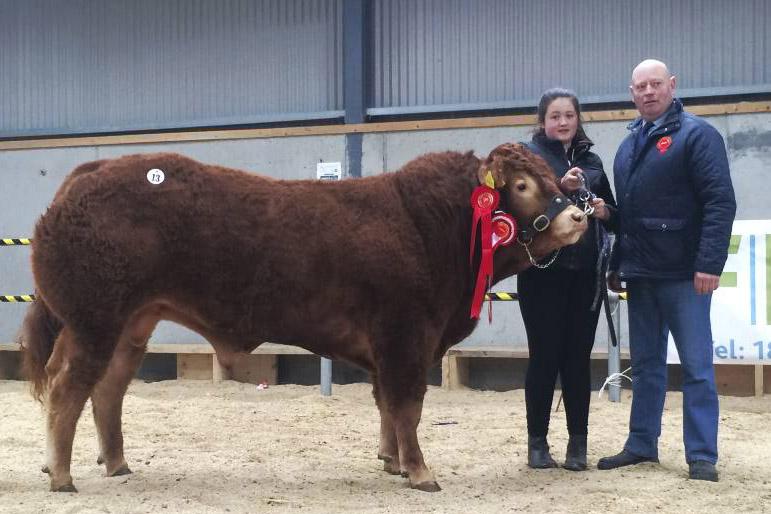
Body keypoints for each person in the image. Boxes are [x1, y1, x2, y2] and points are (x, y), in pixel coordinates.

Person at [598, 59, 736, 482]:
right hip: (642, 274)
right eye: (640, 87)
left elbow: (719, 203)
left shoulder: (698, 135)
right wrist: (610, 221)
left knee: (695, 366)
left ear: (672, 85)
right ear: (632, 92)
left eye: (655, 84)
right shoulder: (628, 145)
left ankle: (702, 455)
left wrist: (709, 263)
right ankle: (642, 443)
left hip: (684, 275)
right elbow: (634, 216)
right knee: (646, 365)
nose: (648, 92)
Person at [517, 88, 617, 471]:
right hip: (543, 273)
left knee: (577, 360)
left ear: (578, 120)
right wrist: (562, 184)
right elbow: (522, 206)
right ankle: (537, 444)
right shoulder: (528, 159)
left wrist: (604, 210)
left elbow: (614, 214)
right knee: (543, 357)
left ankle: (578, 445)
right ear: (542, 121)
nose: (562, 122)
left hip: (584, 276)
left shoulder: (592, 161)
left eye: (569, 116)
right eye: (555, 116)